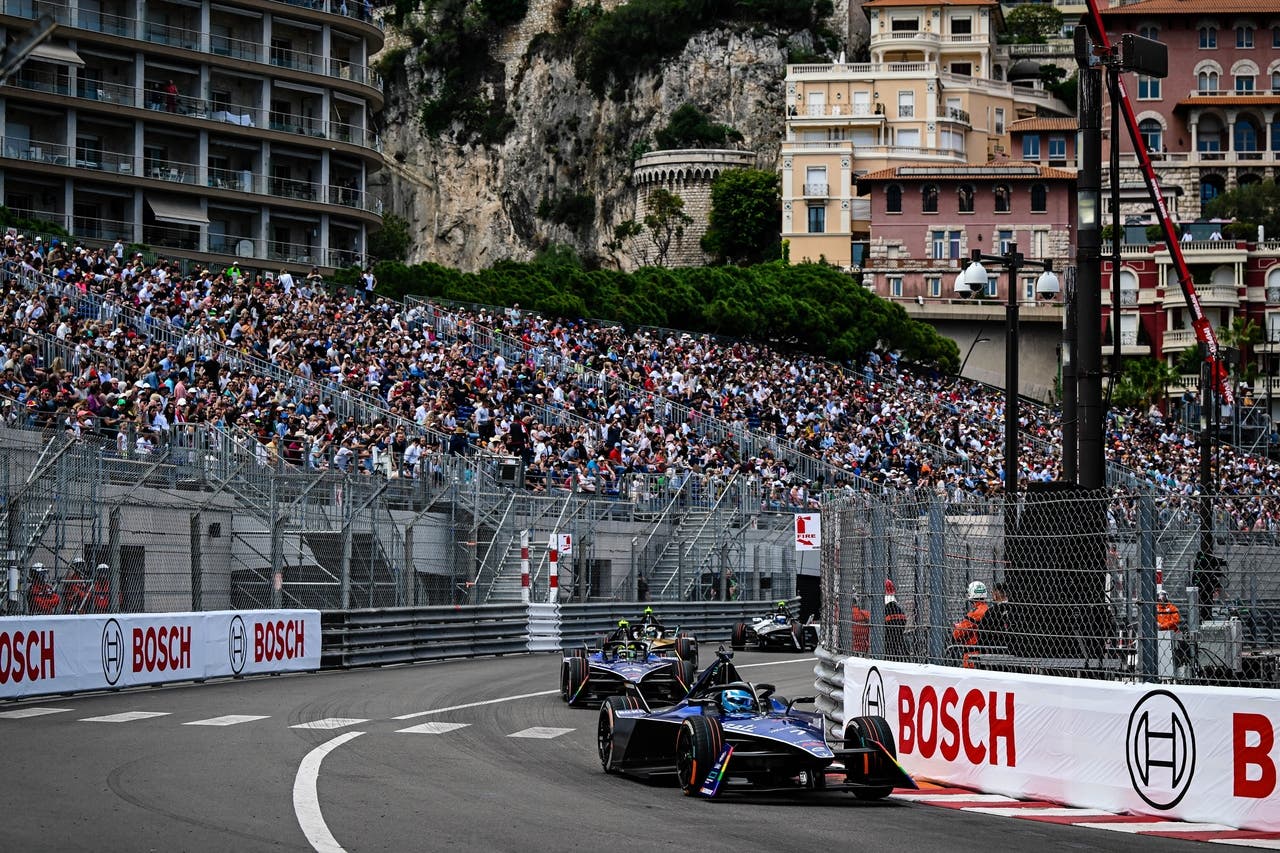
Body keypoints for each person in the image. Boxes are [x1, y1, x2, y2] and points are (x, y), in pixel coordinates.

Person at [952, 581, 990, 667]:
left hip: (972, 653)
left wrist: (957, 627)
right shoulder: (987, 608)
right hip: (983, 651)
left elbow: (957, 634)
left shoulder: (974, 613)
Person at [884, 579, 908, 659]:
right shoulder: (894, 601)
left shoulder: (885, 600)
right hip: (900, 617)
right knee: (898, 639)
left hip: (890, 618)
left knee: (890, 642)